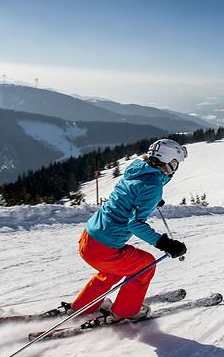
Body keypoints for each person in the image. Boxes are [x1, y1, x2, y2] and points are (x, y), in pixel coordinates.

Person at [70, 138, 189, 322]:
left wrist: (148, 201)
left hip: (89, 238)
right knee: (145, 266)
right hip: (104, 249)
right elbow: (134, 224)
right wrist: (165, 244)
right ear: (168, 162)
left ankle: (84, 306)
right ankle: (125, 311)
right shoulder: (152, 186)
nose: (176, 168)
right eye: (175, 163)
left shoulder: (137, 169)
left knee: (112, 271)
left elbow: (130, 194)